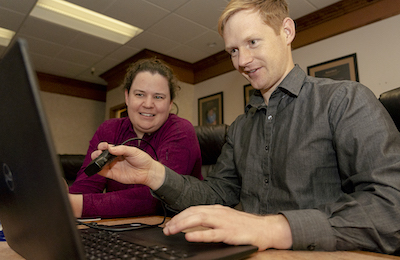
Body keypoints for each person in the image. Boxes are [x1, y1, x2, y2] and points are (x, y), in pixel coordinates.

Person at [91, 0, 400, 254]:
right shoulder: (240, 128)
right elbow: (216, 194)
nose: (242, 60)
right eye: (233, 51)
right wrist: (152, 174)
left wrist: (272, 228)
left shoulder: (344, 100)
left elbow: (392, 207)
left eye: (252, 42)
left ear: (287, 31)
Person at [68, 58, 203, 218]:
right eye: (140, 94)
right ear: (127, 96)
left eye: (158, 97)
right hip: (120, 227)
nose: (148, 104)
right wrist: (68, 202)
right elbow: (84, 187)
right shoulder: (109, 129)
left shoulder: (181, 131)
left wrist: (78, 206)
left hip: (173, 229)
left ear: (170, 103)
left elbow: (157, 199)